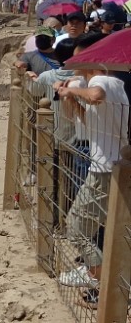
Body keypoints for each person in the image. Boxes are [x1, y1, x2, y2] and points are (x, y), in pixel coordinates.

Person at [56, 33, 130, 290]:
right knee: (109, 227)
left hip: (104, 168)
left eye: (79, 56)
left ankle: (97, 279)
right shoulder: (113, 83)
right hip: (110, 164)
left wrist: (73, 88)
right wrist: (70, 96)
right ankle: (102, 274)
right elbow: (87, 123)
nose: (75, 62)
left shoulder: (101, 79)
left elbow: (96, 95)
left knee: (76, 227)